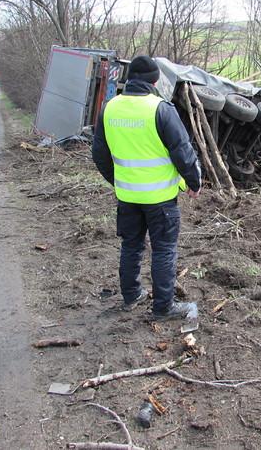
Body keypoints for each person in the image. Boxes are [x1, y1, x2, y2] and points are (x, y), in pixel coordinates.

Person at [92, 55, 201, 321]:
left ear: (129, 80)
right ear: (154, 80)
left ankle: (131, 296)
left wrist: (117, 180)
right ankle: (163, 307)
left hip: (127, 196)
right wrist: (194, 182)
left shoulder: (110, 108)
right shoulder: (161, 109)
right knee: (163, 249)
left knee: (131, 245)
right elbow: (183, 153)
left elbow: (99, 154)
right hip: (161, 199)